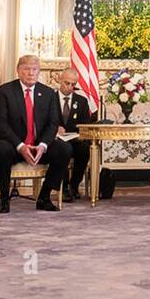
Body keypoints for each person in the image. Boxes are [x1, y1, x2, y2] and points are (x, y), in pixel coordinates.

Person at [0, 54, 70, 213]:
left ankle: (44, 197)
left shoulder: (48, 93)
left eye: (35, 69)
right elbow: (0, 123)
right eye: (27, 69)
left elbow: (53, 124)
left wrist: (43, 145)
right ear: (18, 71)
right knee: (1, 149)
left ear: (39, 71)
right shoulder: (5, 91)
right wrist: (20, 146)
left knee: (64, 149)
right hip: (13, 145)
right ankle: (4, 198)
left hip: (38, 146)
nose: (31, 73)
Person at [55, 67, 92, 201]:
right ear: (60, 80)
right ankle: (63, 188)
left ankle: (74, 186)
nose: (70, 87)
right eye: (67, 83)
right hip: (55, 140)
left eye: (73, 84)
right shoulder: (50, 98)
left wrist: (79, 134)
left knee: (84, 149)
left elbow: (85, 125)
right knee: (63, 149)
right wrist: (54, 129)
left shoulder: (81, 101)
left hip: (75, 140)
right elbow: (42, 121)